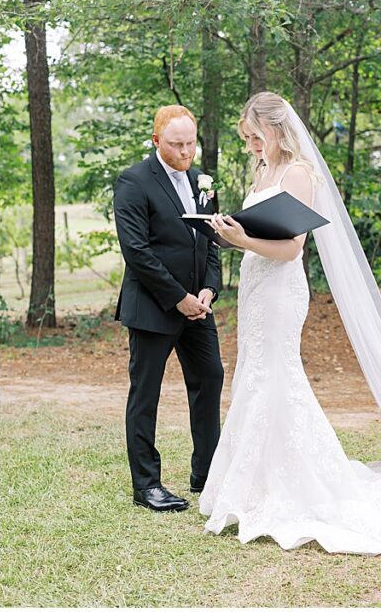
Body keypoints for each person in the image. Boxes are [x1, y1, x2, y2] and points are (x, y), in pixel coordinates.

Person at [199, 91, 381, 553]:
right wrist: (229, 236)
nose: (252, 147)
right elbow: (257, 234)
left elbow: (292, 247)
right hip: (255, 285)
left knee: (278, 375)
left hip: (281, 287)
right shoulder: (263, 170)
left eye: (256, 137)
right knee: (253, 371)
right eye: (247, 140)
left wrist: (246, 241)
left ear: (275, 129)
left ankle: (296, 486)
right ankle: (253, 483)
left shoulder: (299, 174)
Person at [112, 105, 223, 512]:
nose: (186, 152)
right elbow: (136, 251)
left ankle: (207, 472)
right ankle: (146, 485)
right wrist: (179, 298)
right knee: (146, 394)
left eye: (191, 143)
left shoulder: (202, 181)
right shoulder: (133, 181)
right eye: (177, 144)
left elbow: (212, 240)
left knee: (210, 377)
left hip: (200, 308)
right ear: (157, 141)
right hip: (155, 307)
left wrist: (209, 289)